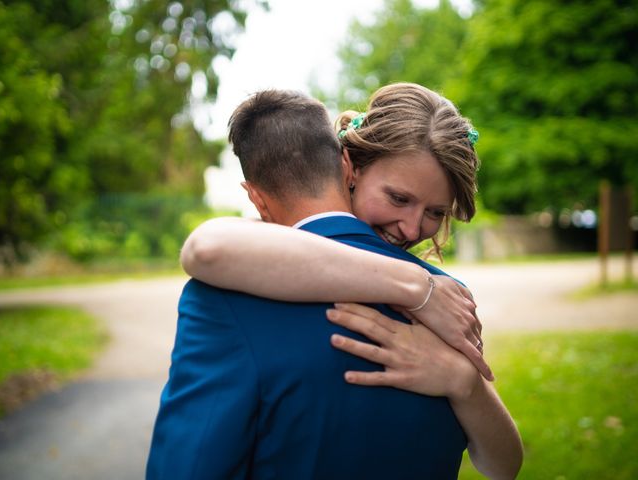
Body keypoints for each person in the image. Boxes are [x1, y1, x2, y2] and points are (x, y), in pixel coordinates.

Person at [147, 88, 522, 479]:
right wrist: (416, 285)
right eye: (397, 198)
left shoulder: (226, 296)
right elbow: (209, 247)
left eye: (435, 212)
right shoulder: (439, 294)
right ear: (350, 167)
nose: (412, 228)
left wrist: (465, 382)